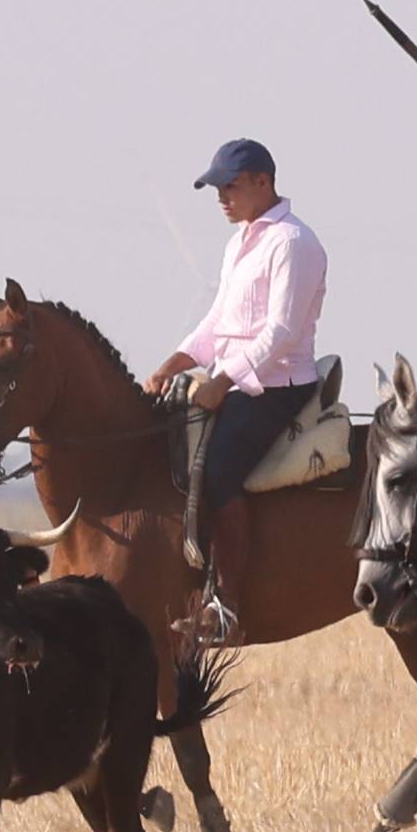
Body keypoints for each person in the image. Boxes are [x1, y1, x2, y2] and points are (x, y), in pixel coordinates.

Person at [142, 138, 328, 639]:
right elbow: (218, 321)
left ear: (263, 183)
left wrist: (222, 382)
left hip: (277, 386)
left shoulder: (293, 243)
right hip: (235, 381)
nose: (221, 197)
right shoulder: (240, 242)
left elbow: (281, 332)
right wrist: (174, 362)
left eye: (231, 186)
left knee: (218, 472)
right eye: (217, 188)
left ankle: (226, 608)